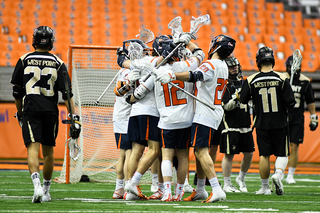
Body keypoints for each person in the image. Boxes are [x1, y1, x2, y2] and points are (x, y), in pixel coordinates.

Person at [156, 34, 236, 203]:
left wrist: (172, 76)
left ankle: (216, 188)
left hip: (204, 113)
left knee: (200, 151)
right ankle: (200, 189)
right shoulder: (222, 64)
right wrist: (186, 41)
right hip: (215, 111)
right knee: (201, 152)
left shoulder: (211, 64)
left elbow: (195, 76)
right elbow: (198, 56)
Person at [10, 26, 81, 203]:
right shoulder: (58, 62)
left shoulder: (24, 59)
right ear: (51, 41)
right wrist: (74, 118)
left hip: (31, 109)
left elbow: (17, 92)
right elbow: (67, 95)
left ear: (35, 40)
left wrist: (20, 113)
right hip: (50, 110)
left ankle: (36, 187)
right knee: (48, 152)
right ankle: (47, 191)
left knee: (32, 149)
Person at [153, 36, 205, 201]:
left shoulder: (156, 69)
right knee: (183, 157)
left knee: (167, 157)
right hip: (185, 119)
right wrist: (187, 40)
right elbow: (200, 54)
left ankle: (166, 192)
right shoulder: (186, 65)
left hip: (167, 119)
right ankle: (179, 192)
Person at [240, 47, 295, 196]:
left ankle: (265, 188)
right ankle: (278, 174)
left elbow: (243, 99)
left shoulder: (251, 79)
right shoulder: (282, 78)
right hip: (280, 122)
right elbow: (291, 102)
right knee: (282, 154)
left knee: (264, 155)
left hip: (261, 123)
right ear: (272, 60)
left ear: (258, 61)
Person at [112, 41, 146, 199]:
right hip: (125, 116)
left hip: (121, 115)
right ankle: (126, 188)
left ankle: (119, 188)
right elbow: (119, 90)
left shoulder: (129, 67)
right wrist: (130, 81)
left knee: (124, 154)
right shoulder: (129, 70)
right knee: (128, 153)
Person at [220, 56, 255, 193]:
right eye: (231, 66)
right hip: (231, 124)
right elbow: (227, 107)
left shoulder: (244, 82)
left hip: (245, 122)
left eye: (236, 66)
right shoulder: (224, 85)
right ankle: (227, 183)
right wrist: (239, 96)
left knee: (249, 153)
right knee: (229, 155)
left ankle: (241, 178)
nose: (234, 68)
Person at [283, 55, 318, 184]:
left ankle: (290, 175)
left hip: (297, 116)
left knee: (294, 145)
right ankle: (280, 172)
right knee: (282, 146)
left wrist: (313, 117)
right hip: (283, 116)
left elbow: (310, 101)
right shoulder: (282, 78)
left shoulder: (304, 81)